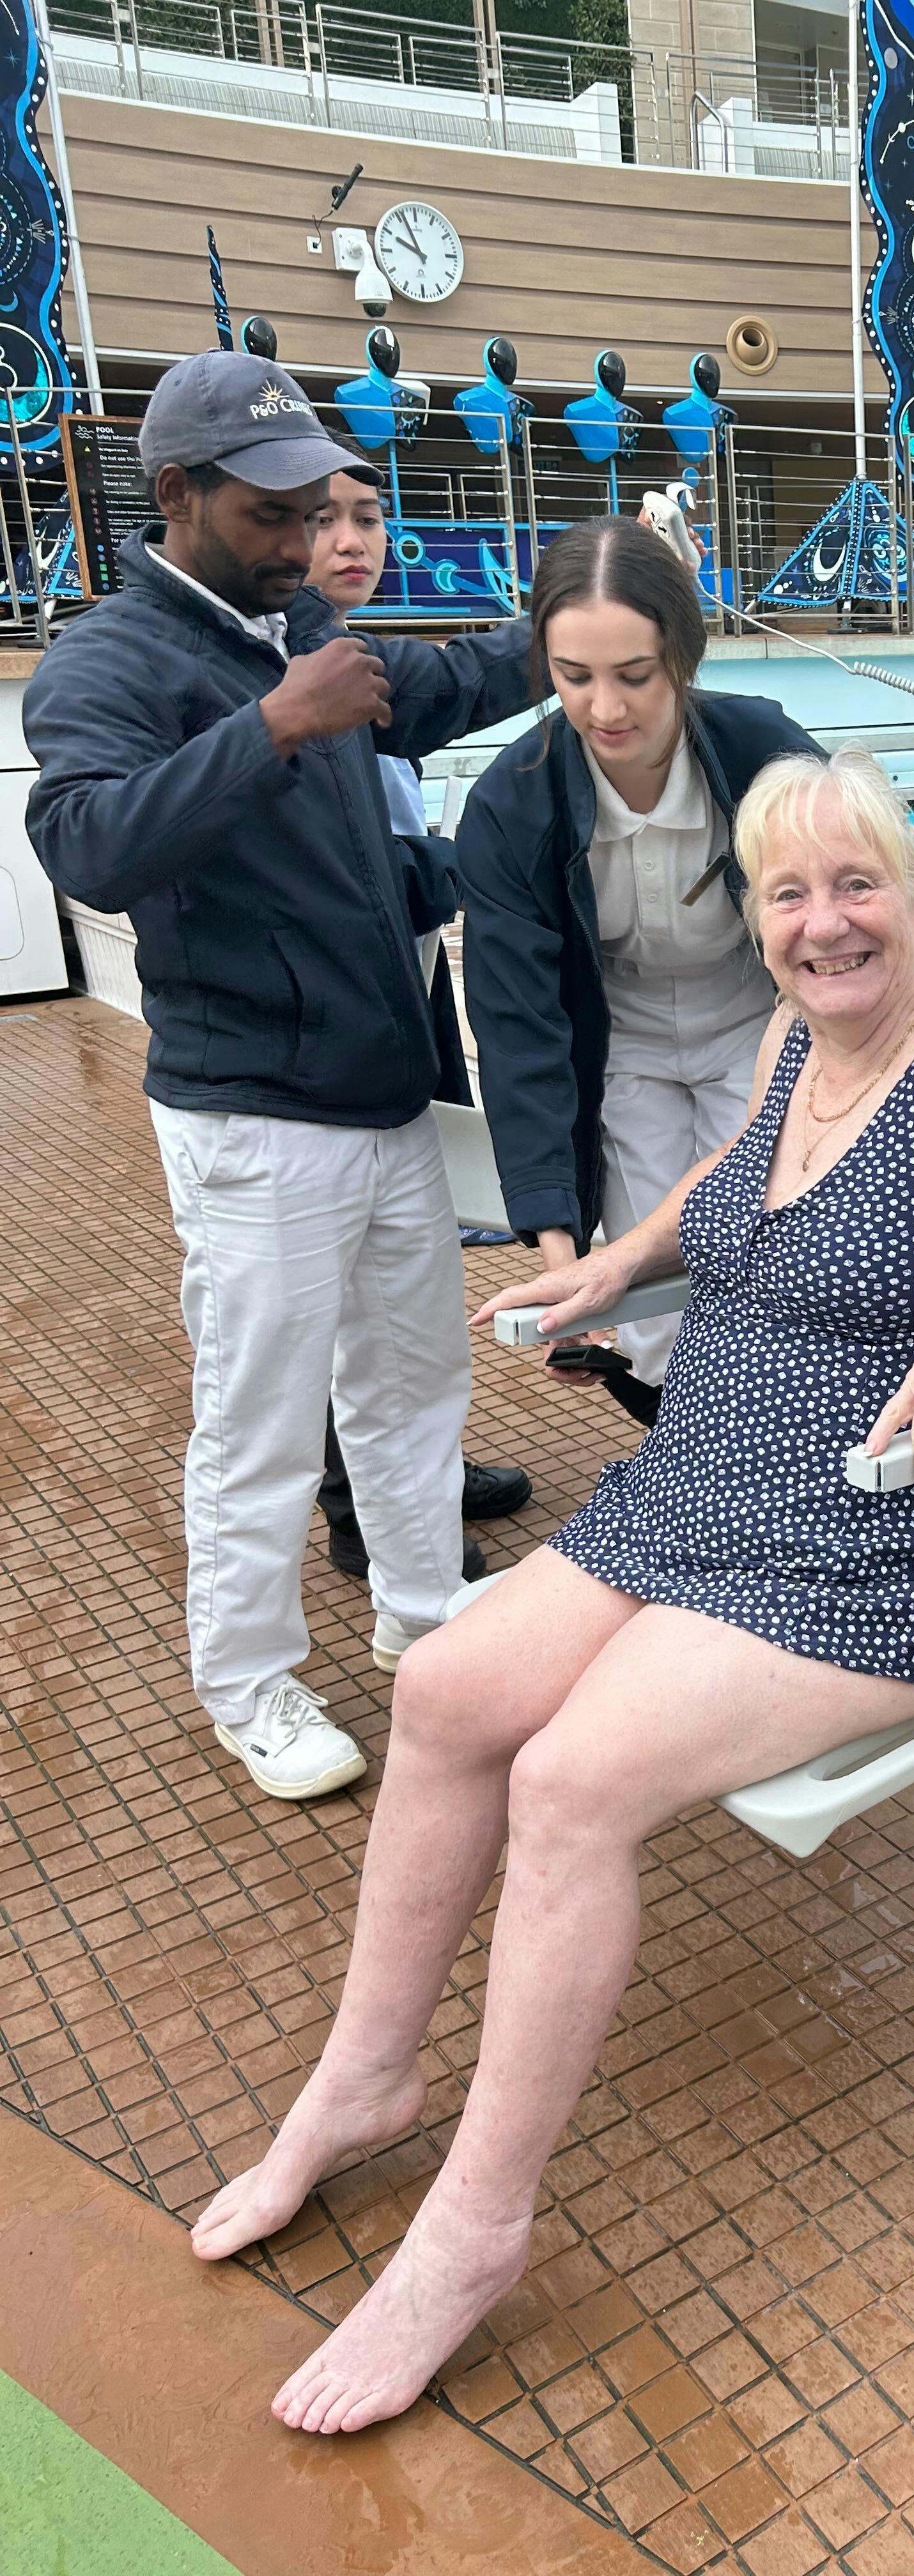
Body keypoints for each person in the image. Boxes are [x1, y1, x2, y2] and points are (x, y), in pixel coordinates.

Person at [185, 745, 914, 2434]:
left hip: (892, 1548)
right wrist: (618, 1262)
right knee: (448, 1688)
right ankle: (368, 2079)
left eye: (855, 886)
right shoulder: (797, 1044)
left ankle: (477, 2228)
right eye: (786, 894)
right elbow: (734, 1178)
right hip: (701, 1496)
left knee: (574, 1778)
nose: (824, 925)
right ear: (757, 922)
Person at [24, 351, 538, 1804]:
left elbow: (429, 689)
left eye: (316, 510)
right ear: (175, 494)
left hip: (383, 1100)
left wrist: (570, 615)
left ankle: (421, 1616)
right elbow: (88, 847)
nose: (307, 542)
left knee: (412, 1385)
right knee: (259, 1421)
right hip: (251, 1115)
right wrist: (271, 726)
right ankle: (248, 1684)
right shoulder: (112, 663)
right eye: (272, 516)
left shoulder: (299, 625)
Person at [456, 516, 820, 1421]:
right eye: (574, 678)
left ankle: (793, 1442)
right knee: (654, 1289)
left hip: (756, 1022)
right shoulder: (514, 803)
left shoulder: (763, 752)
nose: (606, 710)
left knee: (781, 1245)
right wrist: (559, 1260)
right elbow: (519, 1031)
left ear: (684, 658)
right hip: (622, 1041)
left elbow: (853, 915)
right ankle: (684, 1452)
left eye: (635, 676)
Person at [302, 471, 533, 1584]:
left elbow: (471, 677)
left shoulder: (356, 661)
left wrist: (587, 601)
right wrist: (480, 869)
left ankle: (416, 1479)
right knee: (348, 1290)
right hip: (316, 1047)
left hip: (403, 988)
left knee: (407, 1268)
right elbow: (367, 876)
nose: (352, 540)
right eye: (319, 519)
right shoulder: (289, 680)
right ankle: (363, 1514)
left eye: (367, 517)